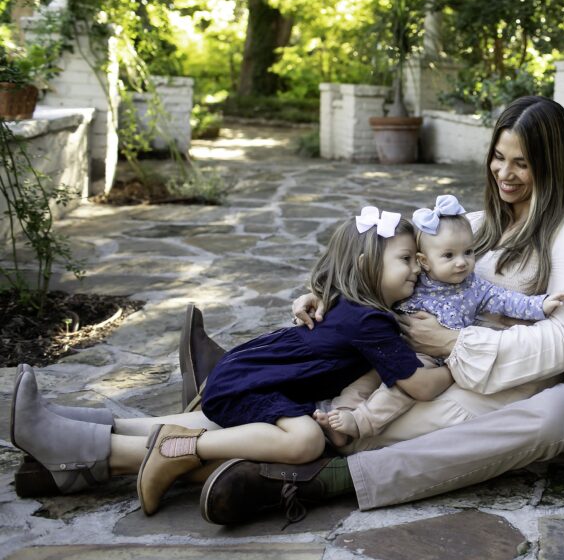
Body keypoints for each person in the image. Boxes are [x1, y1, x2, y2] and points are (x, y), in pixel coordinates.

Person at [199, 57, 564, 524]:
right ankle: (259, 384)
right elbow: (439, 244)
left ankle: (323, 472)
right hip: (537, 349)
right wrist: (327, 289)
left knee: (528, 415)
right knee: (391, 347)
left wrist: (562, 359)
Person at [8, 208, 453, 517]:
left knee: (227, 429)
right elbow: (417, 386)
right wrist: (457, 363)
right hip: (257, 381)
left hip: (250, 374)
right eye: (404, 260)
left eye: (417, 259)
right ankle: (177, 449)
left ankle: (70, 427)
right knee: (304, 441)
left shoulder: (353, 302)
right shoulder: (372, 320)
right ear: (365, 266)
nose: (416, 268)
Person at [317, 193, 564, 447]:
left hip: (428, 357)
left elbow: (508, 300)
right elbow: (378, 282)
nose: (462, 263)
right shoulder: (415, 280)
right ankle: (339, 413)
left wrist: (540, 305)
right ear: (424, 261)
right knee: (366, 379)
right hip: (394, 348)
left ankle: (361, 423)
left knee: (398, 392)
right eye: (449, 256)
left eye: (468, 252)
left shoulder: (476, 288)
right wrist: (318, 296)